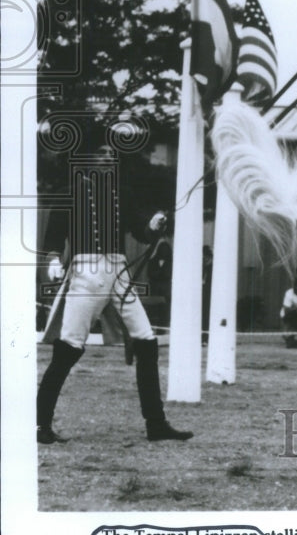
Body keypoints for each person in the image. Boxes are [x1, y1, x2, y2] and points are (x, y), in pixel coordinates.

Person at [37, 144, 192, 444]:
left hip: (119, 274)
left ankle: (156, 424)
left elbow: (139, 230)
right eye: (102, 152)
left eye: (111, 154)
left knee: (147, 342)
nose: (109, 157)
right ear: (86, 157)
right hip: (86, 274)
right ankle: (40, 424)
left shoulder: (122, 192)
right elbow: (54, 236)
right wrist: (54, 260)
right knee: (68, 348)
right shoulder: (69, 191)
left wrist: (153, 225)